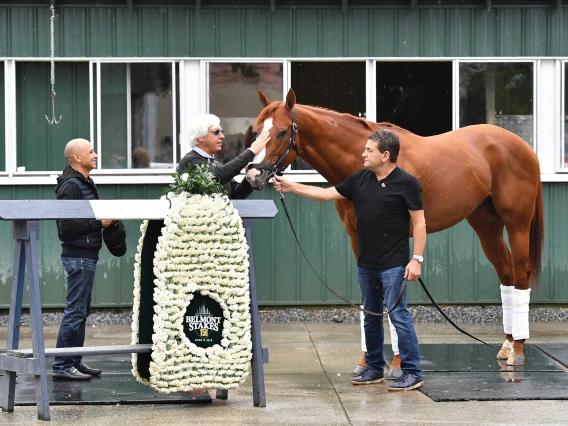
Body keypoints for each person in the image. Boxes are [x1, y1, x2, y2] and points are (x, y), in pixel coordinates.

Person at [273, 129, 426, 391]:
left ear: (386, 155)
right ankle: (375, 367)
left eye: (369, 150)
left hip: (394, 265)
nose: (363, 154)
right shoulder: (359, 180)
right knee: (370, 316)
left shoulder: (407, 183)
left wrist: (417, 259)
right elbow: (325, 194)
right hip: (366, 264)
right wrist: (291, 186)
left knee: (399, 317)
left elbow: (419, 221)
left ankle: (412, 372)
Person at [53, 138, 116, 381]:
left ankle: (74, 361)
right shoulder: (71, 185)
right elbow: (66, 225)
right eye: (91, 151)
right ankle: (61, 366)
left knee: (81, 311)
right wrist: (98, 223)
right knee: (75, 312)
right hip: (78, 256)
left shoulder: (84, 182)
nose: (96, 155)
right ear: (77, 157)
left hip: (86, 254)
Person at [177, 114, 270, 199]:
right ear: (200, 137)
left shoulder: (216, 163)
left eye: (222, 131)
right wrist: (251, 151)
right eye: (216, 132)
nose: (222, 136)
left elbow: (235, 194)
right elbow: (218, 176)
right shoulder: (190, 161)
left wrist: (250, 178)